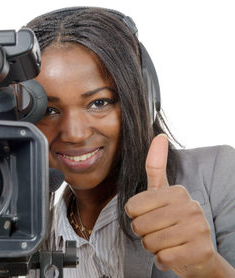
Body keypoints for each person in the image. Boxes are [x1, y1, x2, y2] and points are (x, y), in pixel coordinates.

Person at [25, 7, 235, 278]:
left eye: (99, 103)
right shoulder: (33, 237)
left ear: (143, 100)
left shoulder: (218, 175)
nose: (74, 134)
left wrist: (207, 269)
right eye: (48, 111)